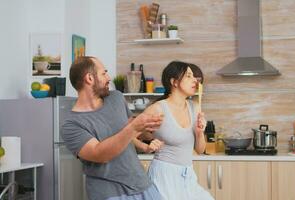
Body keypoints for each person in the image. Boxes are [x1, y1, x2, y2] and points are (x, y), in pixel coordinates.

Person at [60, 56, 164, 200]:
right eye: (104, 73)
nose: (108, 78)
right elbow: (100, 154)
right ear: (89, 78)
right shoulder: (71, 125)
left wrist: (147, 131)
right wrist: (134, 127)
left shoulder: (116, 97)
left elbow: (130, 136)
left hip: (143, 184)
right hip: (110, 193)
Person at [134, 61, 214, 200]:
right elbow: (129, 134)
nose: (195, 80)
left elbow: (200, 150)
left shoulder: (195, 107)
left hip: (187, 175)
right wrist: (146, 146)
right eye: (189, 76)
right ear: (174, 82)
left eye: (194, 77)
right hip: (163, 176)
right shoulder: (158, 109)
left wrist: (200, 132)